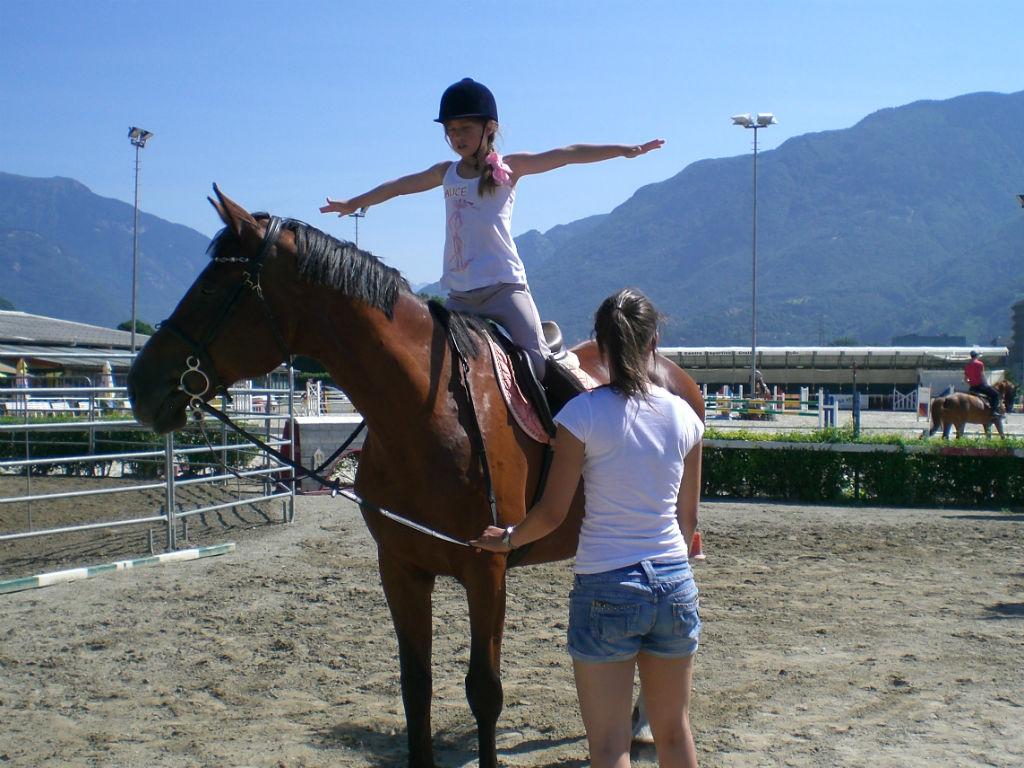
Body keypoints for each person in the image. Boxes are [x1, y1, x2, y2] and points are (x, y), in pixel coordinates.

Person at [472, 288, 704, 768]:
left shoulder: (580, 416)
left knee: (608, 745)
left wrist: (509, 539)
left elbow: (553, 514)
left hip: (607, 586)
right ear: (654, 340)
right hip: (674, 583)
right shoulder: (684, 416)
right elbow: (688, 523)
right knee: (675, 734)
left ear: (599, 343)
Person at [320, 77, 663, 379]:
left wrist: (623, 150)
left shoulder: (510, 168)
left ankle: (558, 438)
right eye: (450, 131)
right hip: (459, 296)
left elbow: (568, 153)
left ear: (490, 128)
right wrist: (354, 203)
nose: (456, 137)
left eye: (464, 129)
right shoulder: (446, 173)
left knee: (538, 363)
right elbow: (399, 185)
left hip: (504, 289)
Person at [964, 350, 1002, 419]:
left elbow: (966, 379)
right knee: (995, 395)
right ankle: (993, 412)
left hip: (972, 388)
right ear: (977, 356)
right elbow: (982, 375)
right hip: (981, 386)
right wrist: (986, 384)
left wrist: (970, 382)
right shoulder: (980, 364)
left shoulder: (967, 366)